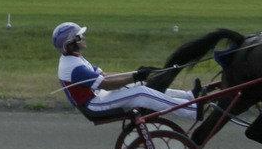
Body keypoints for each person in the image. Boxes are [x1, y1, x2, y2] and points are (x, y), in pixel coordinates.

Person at [52, 21, 194, 119]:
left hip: (99, 96)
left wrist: (137, 74)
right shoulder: (74, 67)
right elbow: (106, 83)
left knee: (140, 86)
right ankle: (191, 111)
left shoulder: (74, 58)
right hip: (94, 105)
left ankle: (189, 97)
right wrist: (137, 76)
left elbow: (104, 75)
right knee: (141, 92)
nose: (83, 37)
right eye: (79, 37)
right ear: (70, 44)